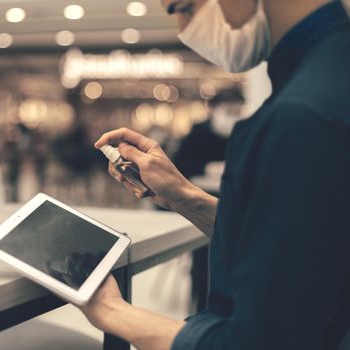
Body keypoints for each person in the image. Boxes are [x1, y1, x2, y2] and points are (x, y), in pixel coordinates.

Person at [74, 1, 350, 349]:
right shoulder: (331, 72)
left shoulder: (299, 118)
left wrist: (110, 310)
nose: (182, 28)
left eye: (185, 7)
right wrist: (184, 195)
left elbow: (258, 343)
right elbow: (306, 252)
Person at [174, 86, 244, 313]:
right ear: (213, 109)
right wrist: (210, 169)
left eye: (237, 110)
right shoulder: (196, 135)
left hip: (236, 205)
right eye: (228, 109)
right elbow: (179, 168)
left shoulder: (243, 133)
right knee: (204, 263)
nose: (233, 115)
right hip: (200, 204)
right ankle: (202, 309)